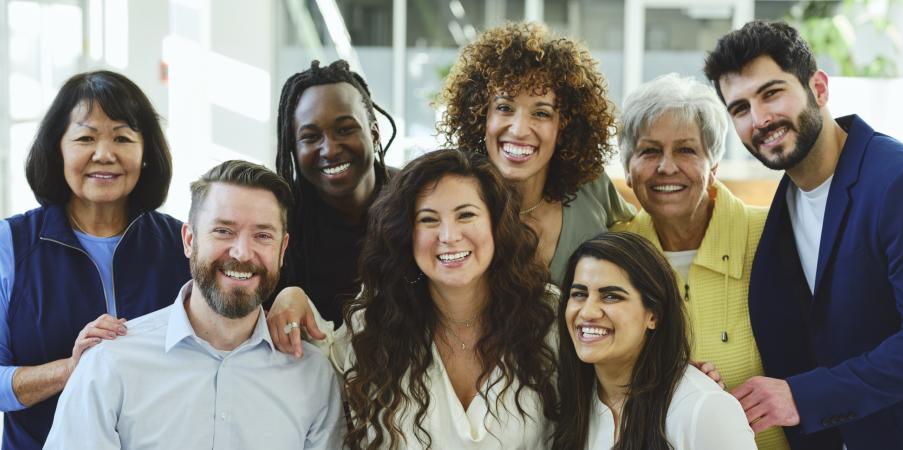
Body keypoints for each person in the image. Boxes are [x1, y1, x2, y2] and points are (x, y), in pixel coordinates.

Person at [704, 20, 903, 450]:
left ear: (819, 88)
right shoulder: (784, 201)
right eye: (740, 108)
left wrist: (804, 397)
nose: (760, 119)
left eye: (772, 93)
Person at [44, 160, 344, 449]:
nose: (241, 252)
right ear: (189, 240)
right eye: (223, 231)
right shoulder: (110, 363)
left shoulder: (312, 376)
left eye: (262, 235)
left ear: (282, 250)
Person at [302, 149, 556, 449]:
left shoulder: (548, 315)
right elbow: (316, 367)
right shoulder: (375, 320)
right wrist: (292, 298)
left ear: (496, 223)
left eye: (466, 214)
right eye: (429, 219)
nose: (448, 235)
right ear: (406, 234)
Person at [0, 71, 191, 449]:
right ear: (58, 149)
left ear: (146, 152)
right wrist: (72, 370)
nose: (104, 154)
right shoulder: (12, 244)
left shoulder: (182, 244)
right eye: (86, 137)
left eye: (122, 137)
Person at [611, 73, 788, 450]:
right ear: (628, 169)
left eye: (686, 150)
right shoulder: (614, 254)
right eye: (649, 151)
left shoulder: (773, 236)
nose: (666, 167)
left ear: (713, 166)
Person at [437, 22, 636, 283]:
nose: (519, 130)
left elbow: (640, 242)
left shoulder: (590, 187)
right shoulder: (450, 197)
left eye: (541, 113)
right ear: (480, 117)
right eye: (505, 108)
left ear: (564, 127)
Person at [553, 232, 757, 450]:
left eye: (611, 296)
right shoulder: (571, 398)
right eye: (579, 294)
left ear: (654, 315)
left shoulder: (704, 408)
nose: (588, 311)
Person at [269, 59, 397, 329]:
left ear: (374, 134)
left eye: (344, 129)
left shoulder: (416, 199)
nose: (329, 149)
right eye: (311, 136)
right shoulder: (279, 218)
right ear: (293, 146)